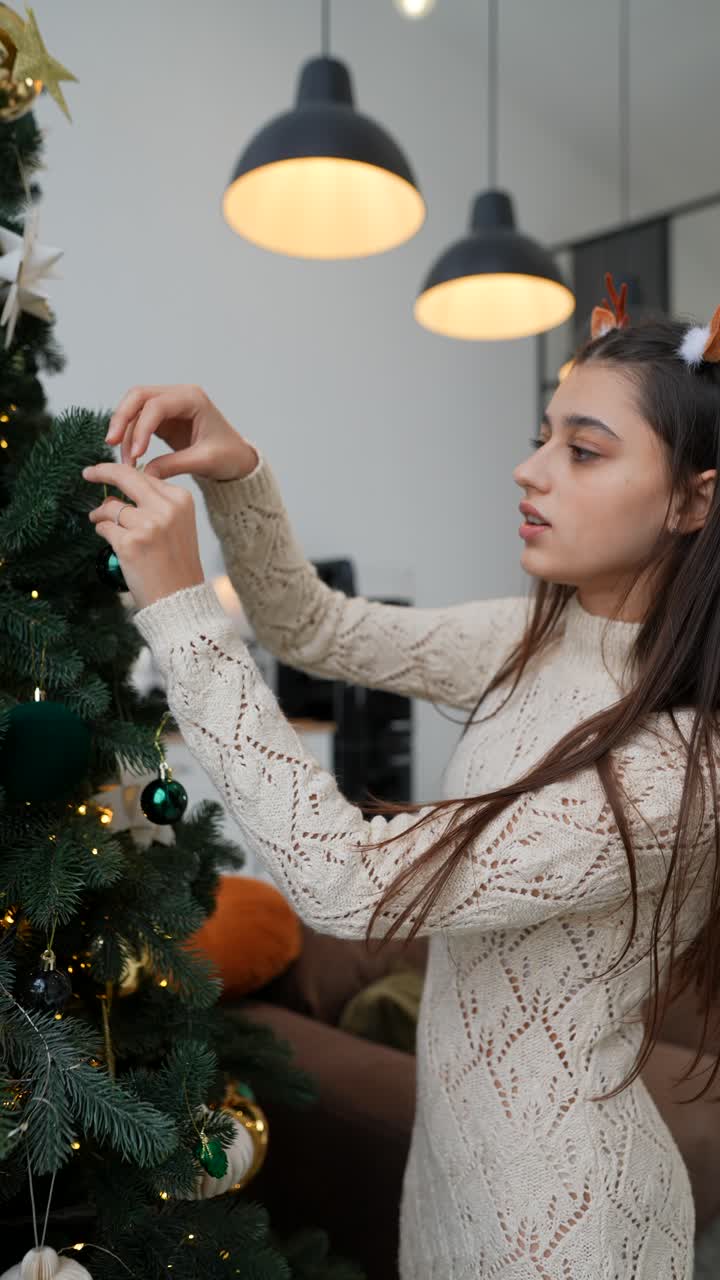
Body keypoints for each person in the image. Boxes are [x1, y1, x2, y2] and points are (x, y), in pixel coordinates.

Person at [81, 275, 720, 1280]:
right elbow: (311, 625)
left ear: (692, 499)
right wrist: (238, 475)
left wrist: (184, 614)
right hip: (450, 1175)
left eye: (582, 450)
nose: (528, 469)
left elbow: (352, 883)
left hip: (571, 1223)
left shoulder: (676, 774)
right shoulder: (527, 642)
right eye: (542, 434)